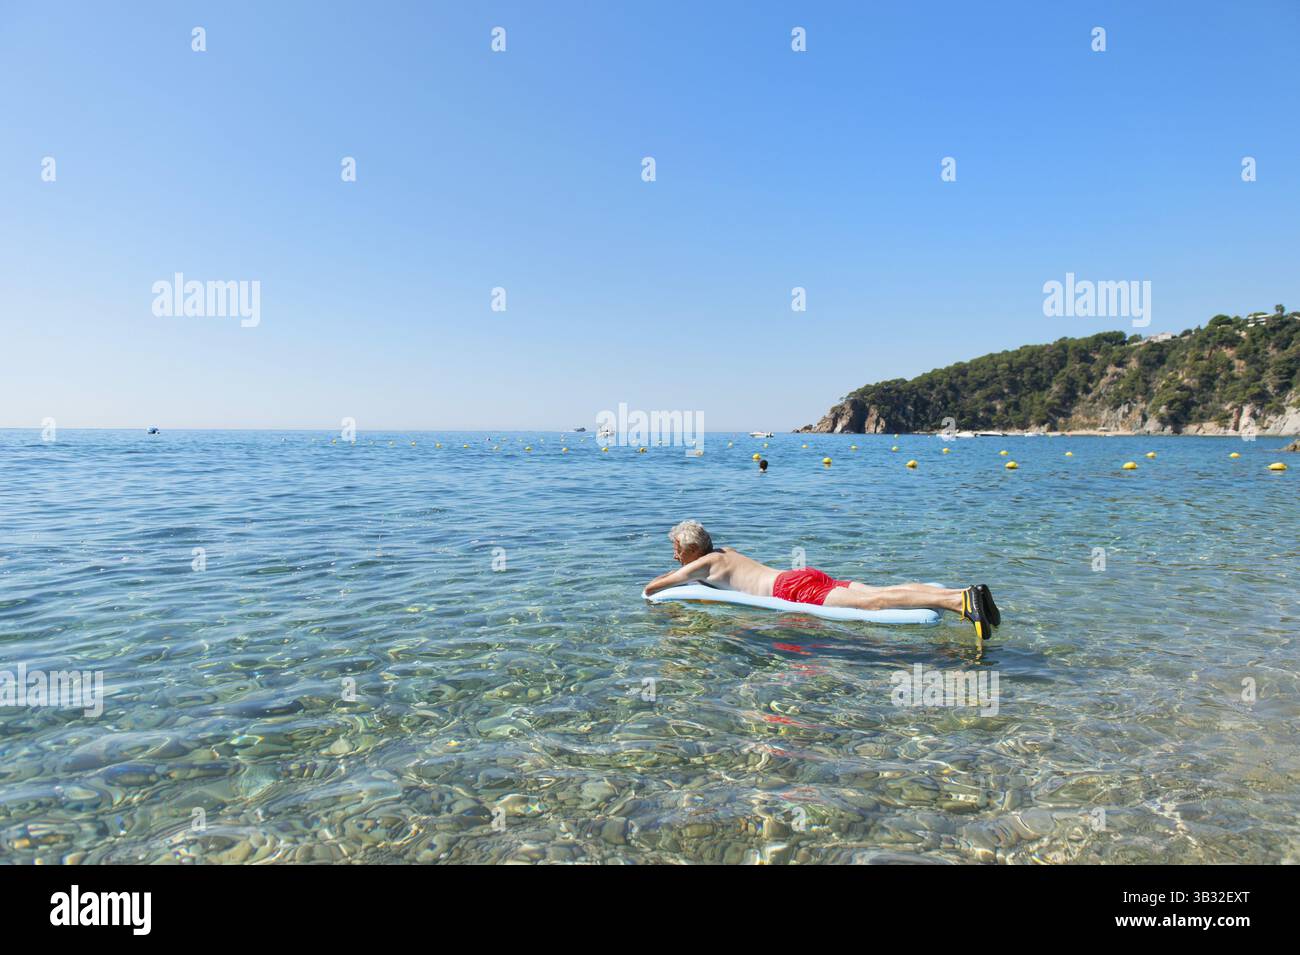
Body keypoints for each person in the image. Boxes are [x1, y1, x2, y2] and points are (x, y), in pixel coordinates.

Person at [644, 520, 1000, 640]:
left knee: (872, 603)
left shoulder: (700, 565)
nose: (675, 556)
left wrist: (666, 581)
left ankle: (958, 603)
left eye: (677, 549)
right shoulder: (724, 550)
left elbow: (653, 588)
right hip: (799, 575)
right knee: (873, 590)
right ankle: (967, 592)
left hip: (791, 589)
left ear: (690, 550)